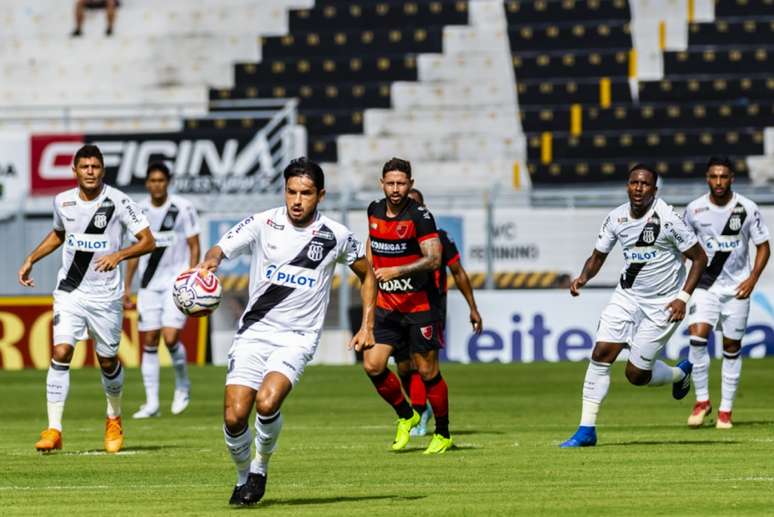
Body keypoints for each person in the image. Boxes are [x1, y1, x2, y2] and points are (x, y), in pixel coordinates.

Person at [195, 158, 376, 506]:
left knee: (267, 401)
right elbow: (220, 247)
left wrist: (368, 324)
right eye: (291, 192)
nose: (296, 200)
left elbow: (368, 275)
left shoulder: (335, 236)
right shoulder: (264, 222)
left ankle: (260, 469)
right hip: (254, 332)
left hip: (297, 336)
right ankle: (242, 476)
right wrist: (212, 261)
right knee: (234, 417)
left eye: (305, 193)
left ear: (320, 195)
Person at [18, 144, 154, 453]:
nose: (90, 171)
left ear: (102, 170)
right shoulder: (62, 201)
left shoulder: (119, 201)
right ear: (75, 171)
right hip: (70, 292)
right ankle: (54, 429)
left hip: (106, 297)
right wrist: (31, 258)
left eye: (95, 167)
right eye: (85, 167)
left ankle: (114, 418)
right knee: (62, 350)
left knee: (107, 361)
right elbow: (58, 234)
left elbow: (148, 241)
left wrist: (119, 255)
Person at [560, 164, 708, 448]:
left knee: (636, 375)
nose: (638, 188)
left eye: (645, 184)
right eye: (633, 183)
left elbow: (699, 258)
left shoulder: (669, 219)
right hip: (626, 297)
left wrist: (683, 298)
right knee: (601, 353)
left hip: (663, 304)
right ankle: (586, 430)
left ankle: (680, 372)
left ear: (655, 190)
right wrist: (583, 277)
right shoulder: (616, 218)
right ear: (627, 186)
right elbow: (597, 256)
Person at [363, 158, 453, 454]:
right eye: (390, 183)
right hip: (387, 307)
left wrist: (396, 271)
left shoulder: (421, 216)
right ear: (382, 184)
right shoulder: (374, 210)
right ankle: (407, 415)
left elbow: (434, 259)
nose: (396, 189)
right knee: (373, 365)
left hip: (419, 307)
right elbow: (372, 247)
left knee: (427, 373)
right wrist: (371, 274)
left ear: (410, 184)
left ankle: (442, 432)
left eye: (401, 183)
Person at [683, 156, 770, 429]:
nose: (718, 182)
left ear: (732, 178)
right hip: (704, 286)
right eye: (713, 177)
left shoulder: (747, 208)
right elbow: (683, 246)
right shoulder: (694, 209)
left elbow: (763, 246)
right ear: (707, 178)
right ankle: (702, 401)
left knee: (731, 348)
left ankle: (726, 411)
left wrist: (753, 279)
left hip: (736, 288)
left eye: (723, 177)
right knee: (697, 339)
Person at [397, 188, 482, 437]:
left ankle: (421, 411)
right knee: (404, 367)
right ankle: (418, 406)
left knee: (421, 363)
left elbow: (458, 272)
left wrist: (473, 308)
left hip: (430, 308)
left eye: (414, 205)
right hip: (397, 307)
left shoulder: (439, 238)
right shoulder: (392, 240)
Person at [124, 162, 201, 419]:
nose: (157, 184)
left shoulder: (183, 208)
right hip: (148, 285)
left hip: (175, 284)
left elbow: (194, 244)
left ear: (168, 182)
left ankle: (183, 385)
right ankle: (152, 403)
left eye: (161, 180)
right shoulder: (139, 210)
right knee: (149, 341)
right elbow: (134, 251)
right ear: (147, 183)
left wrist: (190, 278)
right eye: (152, 180)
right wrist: (127, 285)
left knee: (170, 338)